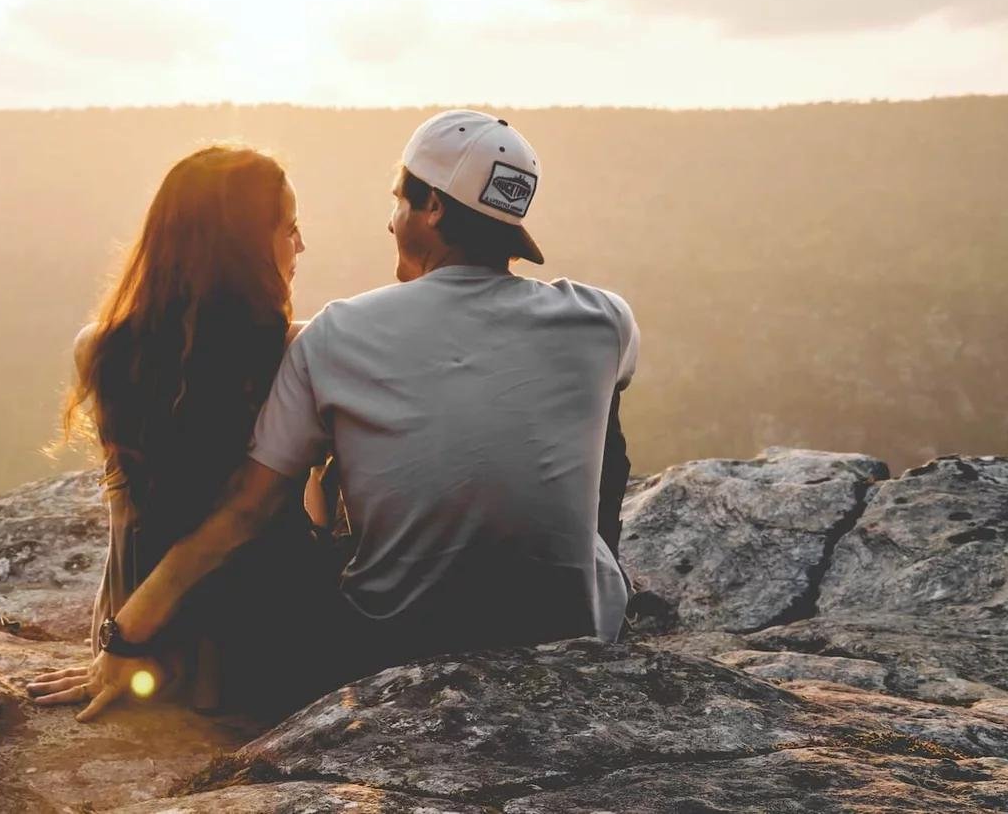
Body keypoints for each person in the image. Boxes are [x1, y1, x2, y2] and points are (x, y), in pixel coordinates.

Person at [62, 109, 640, 722]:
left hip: (391, 642)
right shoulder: (604, 319)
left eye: (399, 201)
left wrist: (127, 629)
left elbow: (245, 508)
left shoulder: (339, 334)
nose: (390, 220)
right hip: (575, 633)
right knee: (604, 406)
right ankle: (578, 577)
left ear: (433, 210)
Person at [26, 143, 331, 719]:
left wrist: (116, 640)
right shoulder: (300, 350)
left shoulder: (99, 349)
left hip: (140, 641)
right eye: (290, 228)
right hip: (267, 645)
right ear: (242, 248)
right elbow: (255, 515)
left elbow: (128, 520)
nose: (301, 246)